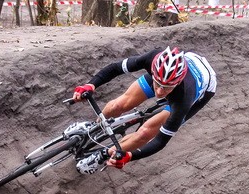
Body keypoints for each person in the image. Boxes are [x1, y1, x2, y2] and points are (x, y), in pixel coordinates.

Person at [70, 46, 217, 174]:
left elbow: (160, 141)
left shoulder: (185, 97)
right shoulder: (153, 59)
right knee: (118, 105)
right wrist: (90, 85)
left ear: (177, 83)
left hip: (202, 89)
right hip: (170, 74)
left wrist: (130, 156)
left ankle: (104, 154)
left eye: (166, 88)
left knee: (145, 132)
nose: (159, 92)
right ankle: (94, 128)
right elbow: (115, 68)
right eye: (157, 84)